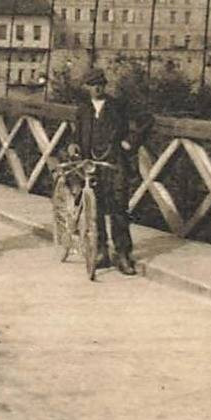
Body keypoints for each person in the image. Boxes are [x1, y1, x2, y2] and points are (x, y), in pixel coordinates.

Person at [69, 67, 142, 275]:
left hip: (115, 163)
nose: (97, 89)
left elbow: (146, 121)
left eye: (100, 84)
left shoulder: (118, 106)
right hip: (91, 164)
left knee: (118, 208)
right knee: (96, 208)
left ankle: (123, 255)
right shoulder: (83, 109)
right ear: (87, 87)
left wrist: (130, 142)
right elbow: (77, 134)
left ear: (105, 85)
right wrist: (73, 144)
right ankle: (101, 251)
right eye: (92, 85)